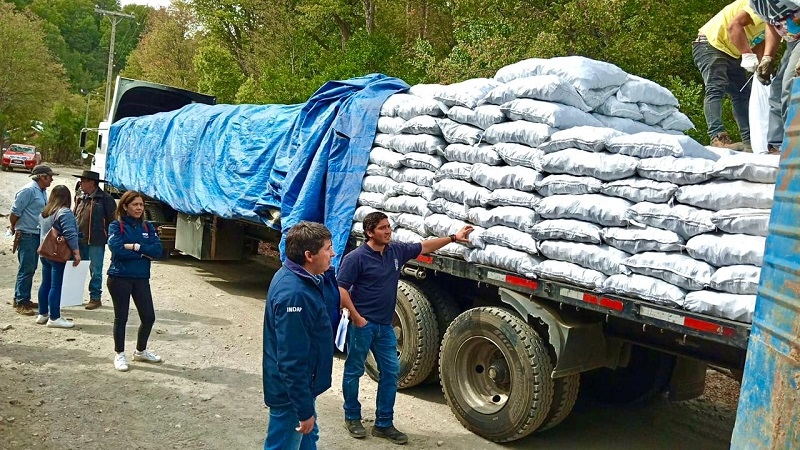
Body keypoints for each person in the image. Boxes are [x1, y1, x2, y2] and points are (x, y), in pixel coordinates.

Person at [337, 212, 473, 445]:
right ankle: (352, 417)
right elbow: (341, 289)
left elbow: (423, 246)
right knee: (354, 371)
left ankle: (384, 424)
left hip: (385, 326)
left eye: (388, 226)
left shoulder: (396, 251)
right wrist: (358, 318)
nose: (388, 231)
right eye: (382, 228)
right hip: (363, 326)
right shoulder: (356, 258)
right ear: (369, 232)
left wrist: (453, 237)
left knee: (391, 374)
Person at [262, 221, 339, 450]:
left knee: (308, 441)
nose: (333, 253)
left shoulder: (306, 278)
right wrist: (303, 409)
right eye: (327, 248)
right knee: (283, 445)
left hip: (303, 388)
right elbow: (291, 359)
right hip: (291, 395)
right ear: (309, 255)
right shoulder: (293, 294)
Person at [693, 0, 767, 150]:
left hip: (731, 50)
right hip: (710, 44)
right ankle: (717, 138)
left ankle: (749, 142)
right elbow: (733, 26)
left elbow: (760, 40)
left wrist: (762, 65)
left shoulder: (775, 19)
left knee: (742, 93)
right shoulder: (766, 4)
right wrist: (747, 55)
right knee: (716, 88)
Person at [106, 191, 163, 372]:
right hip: (119, 277)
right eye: (134, 205)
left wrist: (135, 246)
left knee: (148, 317)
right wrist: (143, 253)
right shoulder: (117, 226)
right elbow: (117, 250)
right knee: (121, 317)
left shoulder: (147, 227)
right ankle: (119, 354)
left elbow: (158, 250)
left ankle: (140, 351)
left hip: (141, 278)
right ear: (125, 206)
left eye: (141, 205)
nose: (139, 208)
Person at [752, 0, 800, 154]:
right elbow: (771, 22)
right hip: (792, 42)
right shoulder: (756, 3)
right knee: (778, 88)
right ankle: (777, 144)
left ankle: (793, 144)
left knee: (790, 84)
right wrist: (767, 57)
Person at [9, 165, 56, 315]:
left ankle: (22, 298)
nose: (52, 179)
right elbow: (15, 212)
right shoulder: (28, 190)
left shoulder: (42, 191)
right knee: (26, 269)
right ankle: (21, 301)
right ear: (42, 177)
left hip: (35, 234)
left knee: (30, 268)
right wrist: (14, 227)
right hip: (28, 235)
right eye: (49, 176)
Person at [36, 185, 81, 328]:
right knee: (56, 285)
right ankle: (54, 317)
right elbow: (70, 233)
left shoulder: (45, 212)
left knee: (45, 283)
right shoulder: (64, 212)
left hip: (45, 252)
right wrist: (76, 253)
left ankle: (42, 314)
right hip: (57, 254)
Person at [73, 170, 117, 310]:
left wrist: (111, 238)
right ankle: (74, 296)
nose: (81, 183)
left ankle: (95, 298)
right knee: (78, 268)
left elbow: (112, 221)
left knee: (95, 270)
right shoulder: (80, 197)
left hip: (96, 241)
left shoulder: (105, 199)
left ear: (92, 183)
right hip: (79, 240)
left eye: (83, 181)